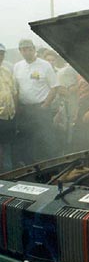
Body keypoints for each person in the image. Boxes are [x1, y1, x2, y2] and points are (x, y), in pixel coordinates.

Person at [13, 39, 59, 165]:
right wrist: (17, 108)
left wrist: (45, 105)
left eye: (29, 49)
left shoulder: (45, 65)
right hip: (25, 110)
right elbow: (15, 89)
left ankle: (52, 166)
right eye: (23, 49)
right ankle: (30, 168)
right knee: (27, 141)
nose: (26, 52)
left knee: (47, 139)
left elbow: (54, 87)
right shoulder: (17, 67)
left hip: (41, 108)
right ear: (20, 51)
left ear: (34, 49)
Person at [0, 43, 17, 172]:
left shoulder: (6, 71)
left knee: (7, 146)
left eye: (2, 54)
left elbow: (14, 92)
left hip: (8, 117)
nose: (0, 56)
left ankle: (8, 174)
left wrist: (15, 110)